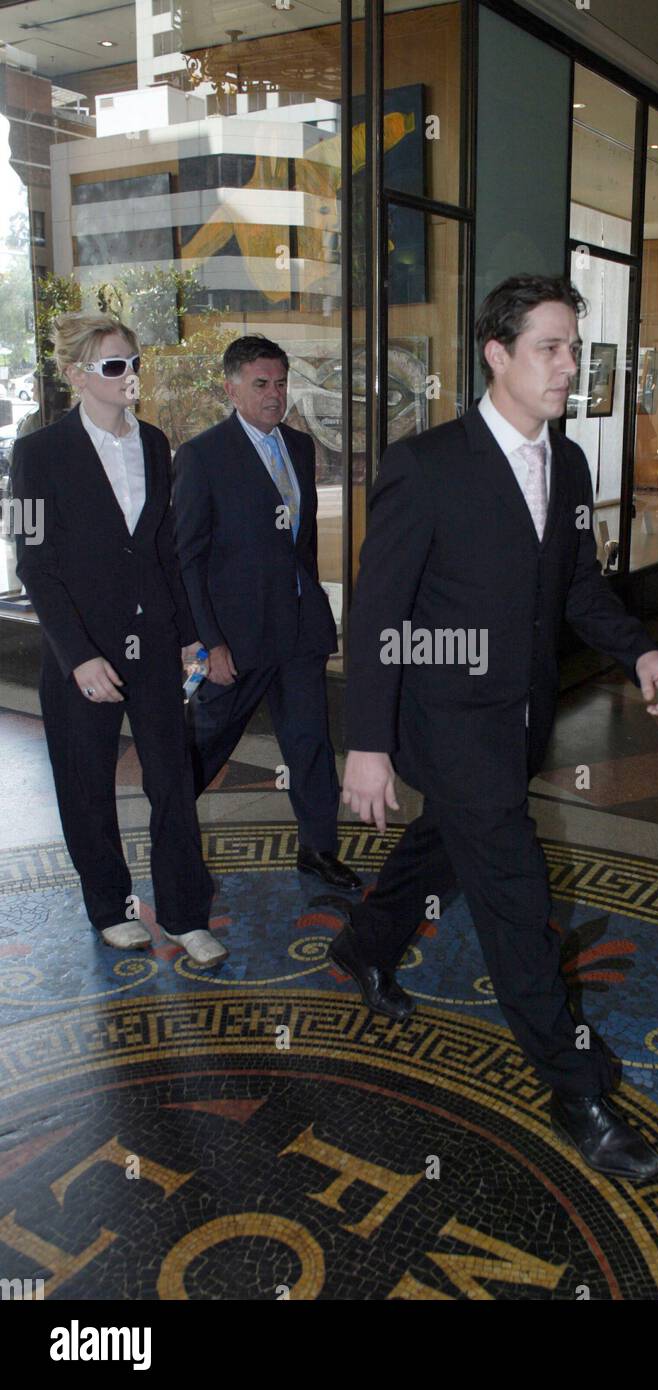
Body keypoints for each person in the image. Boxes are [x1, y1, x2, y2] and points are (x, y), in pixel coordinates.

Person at [338, 275, 658, 1184]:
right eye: (551, 347)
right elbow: (377, 616)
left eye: (574, 347)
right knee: (517, 901)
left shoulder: (566, 465)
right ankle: (576, 1090)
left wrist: (637, 651)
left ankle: (362, 946)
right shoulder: (426, 464)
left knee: (441, 852)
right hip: (448, 723)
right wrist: (367, 744)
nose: (570, 365)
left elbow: (571, 587)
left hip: (521, 715)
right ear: (496, 354)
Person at [11, 313, 224, 965]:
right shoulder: (35, 454)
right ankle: (109, 908)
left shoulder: (156, 444)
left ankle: (187, 914)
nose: (129, 374)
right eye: (113, 365)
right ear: (77, 375)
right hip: (80, 654)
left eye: (133, 361)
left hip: (154, 644)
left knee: (171, 780)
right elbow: (33, 563)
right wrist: (78, 657)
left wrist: (190, 635)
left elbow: (163, 548)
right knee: (86, 786)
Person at [173, 336, 361, 890]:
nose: (274, 395)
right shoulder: (203, 456)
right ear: (231, 388)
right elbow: (188, 558)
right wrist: (209, 643)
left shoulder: (301, 448)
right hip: (236, 639)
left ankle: (319, 849)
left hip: (298, 632)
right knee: (205, 744)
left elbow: (299, 547)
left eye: (281, 383)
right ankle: (173, 839)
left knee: (310, 743)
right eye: (261, 384)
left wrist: (317, 613)